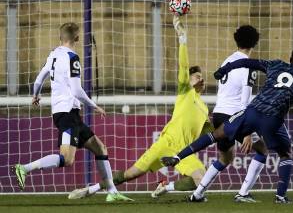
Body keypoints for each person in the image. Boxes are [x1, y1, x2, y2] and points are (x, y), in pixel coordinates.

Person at [68, 16, 210, 200]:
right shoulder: (185, 92)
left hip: (182, 151)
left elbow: (210, 134)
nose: (201, 78)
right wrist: (183, 40)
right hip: (165, 143)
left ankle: (167, 186)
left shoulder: (205, 108)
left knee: (202, 178)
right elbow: (183, 67)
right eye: (197, 76)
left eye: (201, 76)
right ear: (189, 81)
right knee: (130, 174)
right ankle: (91, 189)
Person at [162, 47, 293, 204]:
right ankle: (279, 197)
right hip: (272, 119)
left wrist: (224, 69)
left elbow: (246, 62)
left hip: (252, 111)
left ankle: (178, 157)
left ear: (290, 58)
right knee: (284, 154)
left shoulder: (276, 64)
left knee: (216, 135)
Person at [12, 22, 131, 202]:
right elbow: (76, 91)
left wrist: (35, 95)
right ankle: (24, 168)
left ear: (61, 37)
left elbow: (38, 80)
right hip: (66, 113)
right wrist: (94, 105)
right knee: (67, 159)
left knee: (100, 147)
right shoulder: (72, 57)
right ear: (77, 38)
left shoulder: (53, 54)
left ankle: (112, 192)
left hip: (68, 114)